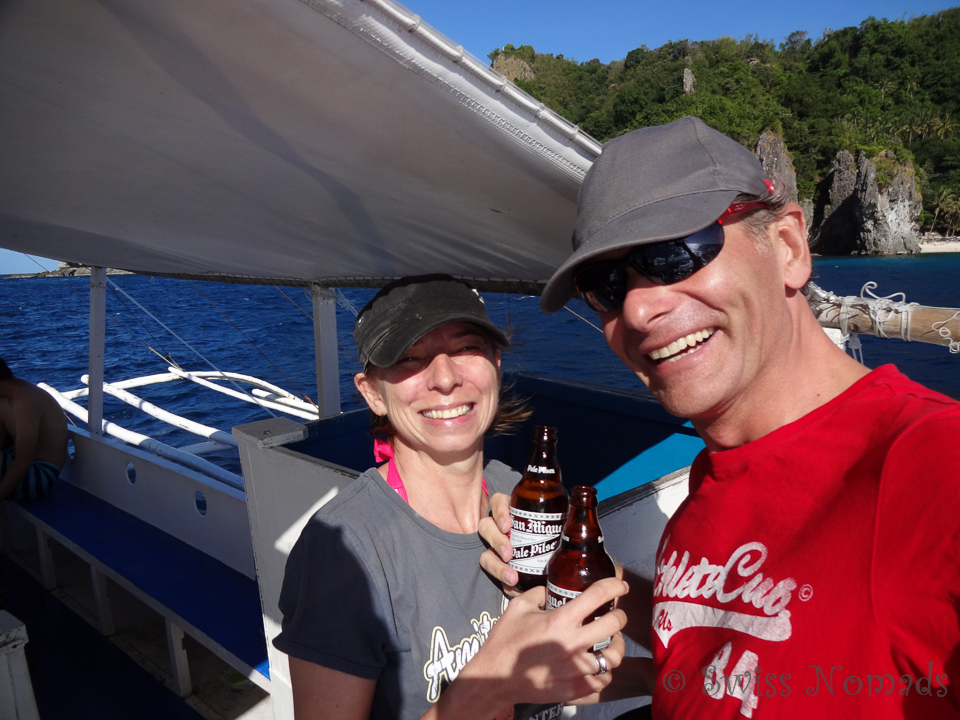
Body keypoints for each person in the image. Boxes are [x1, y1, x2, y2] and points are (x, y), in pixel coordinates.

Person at [480, 116, 960, 718]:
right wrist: (564, 587)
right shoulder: (710, 482)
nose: (639, 307)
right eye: (605, 285)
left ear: (787, 247)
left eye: (675, 253)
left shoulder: (931, 464)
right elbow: (727, 663)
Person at [273, 275, 629, 720]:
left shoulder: (515, 493)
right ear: (372, 393)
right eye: (409, 359)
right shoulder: (343, 548)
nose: (444, 378)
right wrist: (488, 687)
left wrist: (647, 672)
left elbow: (555, 681)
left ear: (496, 366)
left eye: (465, 349)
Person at [0, 356, 68, 502]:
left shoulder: (26, 400)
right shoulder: (4, 400)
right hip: (23, 470)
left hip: (41, 475)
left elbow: (25, 460)